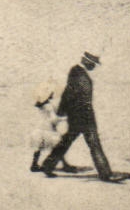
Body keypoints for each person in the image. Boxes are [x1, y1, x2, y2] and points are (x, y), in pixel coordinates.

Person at [40, 52, 116, 181]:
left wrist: (62, 111)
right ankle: (105, 174)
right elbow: (69, 94)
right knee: (93, 143)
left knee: (68, 140)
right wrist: (62, 112)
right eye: (93, 64)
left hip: (77, 115)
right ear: (86, 61)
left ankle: (48, 165)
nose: (94, 66)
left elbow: (67, 93)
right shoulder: (80, 74)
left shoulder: (76, 72)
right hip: (84, 116)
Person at [29, 78, 74, 174]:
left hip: (39, 129)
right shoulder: (49, 106)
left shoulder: (40, 105)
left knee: (38, 148)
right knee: (58, 147)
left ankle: (34, 164)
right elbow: (54, 119)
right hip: (49, 130)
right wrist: (65, 118)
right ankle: (65, 165)